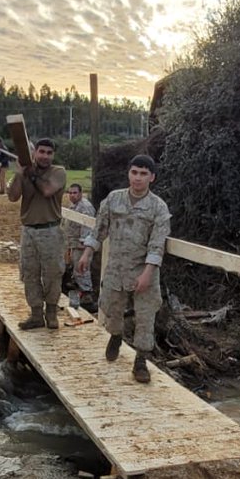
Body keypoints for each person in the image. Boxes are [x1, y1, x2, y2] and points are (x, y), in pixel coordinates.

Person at [77, 155, 171, 384]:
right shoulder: (114, 199)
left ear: (152, 177)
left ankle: (140, 361)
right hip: (116, 267)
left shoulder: (158, 207)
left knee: (145, 316)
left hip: (144, 269)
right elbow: (99, 230)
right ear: (129, 173)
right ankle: (116, 336)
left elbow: (157, 244)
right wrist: (87, 254)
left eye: (143, 174)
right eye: (134, 172)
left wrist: (147, 274)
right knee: (110, 307)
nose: (138, 178)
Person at [7, 137, 67, 330]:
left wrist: (31, 174)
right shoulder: (25, 172)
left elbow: (47, 190)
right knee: (29, 273)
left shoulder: (58, 172)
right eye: (41, 152)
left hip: (50, 230)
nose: (45, 156)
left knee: (52, 274)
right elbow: (12, 196)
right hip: (29, 231)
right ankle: (36, 315)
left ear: (53, 155)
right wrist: (19, 173)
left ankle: (51, 314)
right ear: (34, 153)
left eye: (49, 153)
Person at [63, 183, 95, 309]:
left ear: (81, 193)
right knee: (76, 269)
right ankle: (80, 292)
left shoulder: (85, 207)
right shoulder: (73, 206)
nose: (72, 195)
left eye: (75, 193)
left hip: (82, 245)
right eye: (70, 193)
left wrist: (84, 242)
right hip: (74, 243)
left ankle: (87, 296)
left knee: (82, 269)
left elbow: (87, 225)